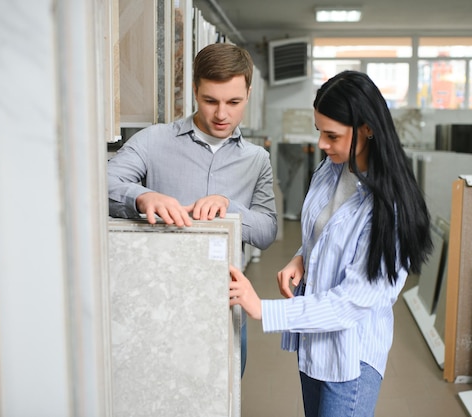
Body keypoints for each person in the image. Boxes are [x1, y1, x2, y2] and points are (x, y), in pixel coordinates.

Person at [228, 70, 432, 417]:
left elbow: (350, 304)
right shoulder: (332, 168)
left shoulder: (389, 209)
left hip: (352, 357)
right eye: (319, 131)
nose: (322, 143)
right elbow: (324, 233)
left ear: (367, 128)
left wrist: (263, 308)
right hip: (315, 342)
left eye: (332, 135)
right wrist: (302, 257)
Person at [107, 42, 278, 376]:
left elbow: (268, 231)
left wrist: (230, 207)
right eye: (210, 100)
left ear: (249, 93)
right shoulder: (152, 141)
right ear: (194, 90)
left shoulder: (256, 160)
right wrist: (142, 196)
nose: (221, 114)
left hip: (224, 305)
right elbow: (100, 183)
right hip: (154, 300)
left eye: (234, 102)